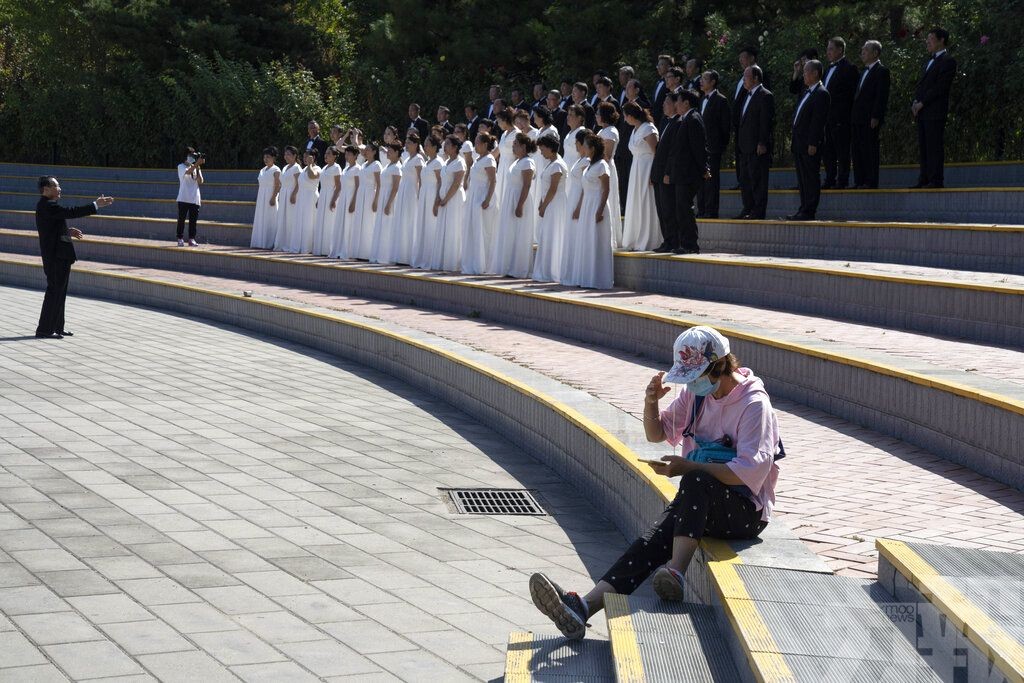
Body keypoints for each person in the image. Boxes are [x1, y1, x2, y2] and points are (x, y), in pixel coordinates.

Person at [528, 325, 780, 640]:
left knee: (696, 479)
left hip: (745, 512)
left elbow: (752, 471)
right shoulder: (696, 396)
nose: (690, 384)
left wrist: (688, 466)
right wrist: (651, 402)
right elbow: (657, 434)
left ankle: (676, 571)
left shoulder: (754, 404)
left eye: (696, 376)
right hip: (700, 502)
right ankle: (582, 607)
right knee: (651, 540)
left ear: (719, 367)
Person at [33, 177, 114, 339]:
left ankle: (57, 327)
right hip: (56, 256)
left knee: (60, 292)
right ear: (46, 189)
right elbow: (70, 212)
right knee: (54, 291)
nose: (60, 188)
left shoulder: (47, 206)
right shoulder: (47, 205)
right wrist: (95, 205)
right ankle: (44, 329)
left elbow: (51, 228)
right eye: (56, 186)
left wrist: (67, 231)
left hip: (59, 255)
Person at [911, 28, 955, 189]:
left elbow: (940, 87)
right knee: (923, 147)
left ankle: (935, 180)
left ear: (941, 40)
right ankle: (924, 178)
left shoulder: (948, 61)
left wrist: (922, 103)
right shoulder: (928, 61)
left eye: (931, 38)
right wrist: (915, 102)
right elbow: (923, 86)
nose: (927, 41)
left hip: (935, 112)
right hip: (922, 112)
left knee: (934, 146)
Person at [568, 133, 613, 289]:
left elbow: (606, 189)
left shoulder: (602, 165)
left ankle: (598, 279)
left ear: (593, 148)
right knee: (587, 241)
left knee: (597, 241)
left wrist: (600, 210)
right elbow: (584, 189)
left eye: (586, 146)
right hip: (587, 205)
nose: (584, 149)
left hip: (596, 205)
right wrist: (580, 208)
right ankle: (587, 277)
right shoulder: (589, 165)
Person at [667, 90, 708, 254]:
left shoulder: (693, 119)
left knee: (685, 208)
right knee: (681, 208)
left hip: (688, 174)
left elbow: (699, 147)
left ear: (686, 103)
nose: (676, 105)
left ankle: (690, 244)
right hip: (681, 173)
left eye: (678, 101)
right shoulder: (685, 119)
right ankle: (686, 243)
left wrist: (704, 168)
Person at [489, 133, 536, 278]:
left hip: (519, 199)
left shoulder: (527, 162)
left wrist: (520, 205)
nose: (513, 147)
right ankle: (509, 265)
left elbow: (526, 185)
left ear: (523, 146)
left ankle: (518, 268)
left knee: (519, 232)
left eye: (515, 144)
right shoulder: (517, 161)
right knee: (510, 231)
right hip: (510, 198)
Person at [788, 61, 830, 221]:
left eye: (806, 72)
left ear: (815, 73)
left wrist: (813, 142)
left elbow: (818, 121)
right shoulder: (807, 92)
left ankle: (809, 209)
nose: (803, 75)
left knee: (811, 177)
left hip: (809, 144)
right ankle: (803, 207)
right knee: (802, 178)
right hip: (799, 143)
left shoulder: (821, 93)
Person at [735, 66, 774, 220]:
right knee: (745, 180)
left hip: (757, 146)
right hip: (745, 146)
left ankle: (758, 211)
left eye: (746, 76)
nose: (744, 79)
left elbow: (765, 122)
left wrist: (762, 142)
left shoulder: (765, 95)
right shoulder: (746, 94)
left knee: (758, 180)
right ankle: (748, 208)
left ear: (756, 78)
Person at [851, 40, 891, 189]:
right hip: (857, 118)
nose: (863, 53)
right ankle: (859, 180)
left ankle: (870, 180)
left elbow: (881, 96)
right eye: (862, 50)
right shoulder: (863, 72)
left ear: (875, 53)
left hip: (870, 118)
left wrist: (876, 116)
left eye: (866, 50)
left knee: (869, 149)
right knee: (857, 149)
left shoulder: (881, 71)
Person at [621, 102, 660, 251]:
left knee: (646, 201)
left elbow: (656, 152)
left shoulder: (648, 128)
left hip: (647, 168)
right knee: (636, 201)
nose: (625, 119)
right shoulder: (635, 130)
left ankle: (648, 240)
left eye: (625, 116)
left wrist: (654, 172)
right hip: (636, 169)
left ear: (631, 116)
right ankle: (636, 238)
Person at [820, 38, 857, 189]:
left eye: (831, 49)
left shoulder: (849, 68)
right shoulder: (828, 69)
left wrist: (841, 114)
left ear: (840, 50)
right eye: (828, 49)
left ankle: (842, 181)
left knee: (842, 150)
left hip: (840, 117)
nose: (828, 52)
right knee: (828, 150)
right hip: (826, 117)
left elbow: (850, 95)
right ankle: (829, 179)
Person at [531, 135, 568, 282]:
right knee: (546, 235)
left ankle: (553, 271)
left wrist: (544, 206)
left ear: (550, 148)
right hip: (548, 203)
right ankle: (545, 270)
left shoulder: (558, 165)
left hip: (555, 204)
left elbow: (553, 189)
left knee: (554, 235)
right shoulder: (550, 163)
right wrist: (541, 203)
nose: (541, 152)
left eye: (542, 148)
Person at [461, 133, 498, 275]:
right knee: (473, 230)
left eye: (477, 143)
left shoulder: (489, 160)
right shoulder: (478, 159)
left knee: (483, 232)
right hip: (473, 197)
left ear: (484, 144)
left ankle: (483, 264)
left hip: (482, 198)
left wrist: (487, 200)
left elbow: (493, 181)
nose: (475, 146)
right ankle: (473, 262)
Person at [558, 129, 592, 285]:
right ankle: (572, 272)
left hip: (580, 198)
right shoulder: (580, 160)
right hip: (572, 197)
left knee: (578, 234)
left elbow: (586, 186)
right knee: (571, 234)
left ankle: (580, 273)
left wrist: (579, 206)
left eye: (578, 143)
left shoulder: (587, 162)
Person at [697, 71, 730, 219]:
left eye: (704, 79)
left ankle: (711, 211)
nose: (701, 81)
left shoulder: (721, 100)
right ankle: (702, 209)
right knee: (700, 180)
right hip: (700, 147)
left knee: (712, 180)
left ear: (713, 82)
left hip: (714, 147)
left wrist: (720, 146)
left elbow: (725, 126)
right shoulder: (701, 99)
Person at [431, 135, 467, 271]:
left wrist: (445, 199)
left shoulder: (460, 162)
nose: (444, 147)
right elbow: (441, 182)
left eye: (447, 144)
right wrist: (437, 200)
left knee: (453, 228)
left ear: (455, 147)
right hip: (444, 200)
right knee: (444, 229)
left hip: (454, 199)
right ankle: (443, 261)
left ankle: (453, 263)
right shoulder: (446, 163)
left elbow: (456, 183)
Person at [388, 133, 424, 265]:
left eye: (409, 143)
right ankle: (401, 255)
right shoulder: (408, 159)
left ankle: (409, 255)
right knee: (402, 221)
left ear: (415, 144)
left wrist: (420, 195)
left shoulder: (418, 159)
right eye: (406, 143)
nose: (407, 145)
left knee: (410, 221)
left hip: (412, 192)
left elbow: (421, 179)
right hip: (404, 191)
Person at [651, 94, 680, 253]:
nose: (663, 105)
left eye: (667, 103)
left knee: (669, 209)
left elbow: (673, 152)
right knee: (661, 209)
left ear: (676, 104)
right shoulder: (665, 122)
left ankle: (673, 240)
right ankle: (666, 240)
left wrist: (668, 172)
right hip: (658, 173)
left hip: (667, 175)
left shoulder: (678, 122)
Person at [412, 135, 445, 268]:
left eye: (427, 145)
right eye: (424, 144)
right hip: (424, 195)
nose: (424, 147)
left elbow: (440, 181)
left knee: (432, 225)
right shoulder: (426, 162)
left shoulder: (438, 162)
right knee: (424, 225)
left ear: (435, 147)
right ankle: (423, 258)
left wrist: (437, 199)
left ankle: (432, 258)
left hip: (432, 195)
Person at [370, 143, 403, 264]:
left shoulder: (397, 167)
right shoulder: (388, 165)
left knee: (388, 226)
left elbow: (395, 187)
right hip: (384, 197)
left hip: (391, 199)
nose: (387, 152)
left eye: (390, 151)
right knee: (382, 225)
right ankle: (379, 254)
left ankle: (387, 256)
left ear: (396, 153)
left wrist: (388, 203)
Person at [596, 102, 622, 249]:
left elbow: (608, 154)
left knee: (608, 201)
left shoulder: (611, 131)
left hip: (606, 169)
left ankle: (609, 239)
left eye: (598, 114)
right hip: (598, 169)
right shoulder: (601, 132)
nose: (596, 117)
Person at [349, 141, 382, 259]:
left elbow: (379, 184)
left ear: (374, 152)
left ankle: (368, 252)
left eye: (368, 149)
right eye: (365, 149)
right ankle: (359, 252)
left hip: (370, 194)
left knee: (369, 222)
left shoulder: (377, 165)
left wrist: (376, 200)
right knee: (360, 222)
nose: (365, 151)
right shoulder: (363, 165)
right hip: (361, 194)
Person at [329, 145, 362, 258]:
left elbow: (358, 186)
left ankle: (347, 251)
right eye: (346, 154)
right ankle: (339, 249)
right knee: (341, 223)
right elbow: (340, 186)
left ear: (356, 155)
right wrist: (335, 199)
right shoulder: (346, 168)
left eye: (349, 154)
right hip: (343, 198)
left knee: (349, 223)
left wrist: (353, 202)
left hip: (351, 197)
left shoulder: (357, 169)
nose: (347, 156)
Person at [312, 146, 342, 255]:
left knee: (330, 221)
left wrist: (334, 200)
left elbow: (338, 186)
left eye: (329, 153)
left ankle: (328, 248)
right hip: (323, 195)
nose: (326, 155)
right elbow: (322, 186)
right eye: (326, 153)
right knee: (322, 221)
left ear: (334, 156)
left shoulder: (336, 167)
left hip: (331, 195)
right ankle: (321, 248)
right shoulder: (324, 168)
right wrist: (319, 199)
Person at [250, 147, 281, 249]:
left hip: (270, 197)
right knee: (261, 218)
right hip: (261, 197)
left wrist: (273, 197)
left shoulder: (276, 169)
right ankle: (260, 242)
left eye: (268, 157)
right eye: (264, 157)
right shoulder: (262, 170)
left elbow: (278, 185)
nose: (266, 159)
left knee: (270, 219)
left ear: (273, 158)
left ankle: (269, 243)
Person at [290, 148, 320, 253]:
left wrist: (310, 165)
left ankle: (308, 247)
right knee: (301, 221)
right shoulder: (303, 170)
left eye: (307, 156)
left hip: (311, 197)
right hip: (302, 197)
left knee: (309, 221)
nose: (304, 158)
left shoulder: (317, 168)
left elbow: (312, 176)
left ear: (313, 157)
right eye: (304, 156)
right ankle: (299, 245)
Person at [274, 147, 301, 252]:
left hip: (292, 194)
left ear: (294, 156)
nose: (286, 157)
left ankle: (291, 243)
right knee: (283, 218)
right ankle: (282, 242)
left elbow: (299, 183)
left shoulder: (297, 168)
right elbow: (282, 182)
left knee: (291, 219)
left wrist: (294, 194)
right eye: (285, 154)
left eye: (289, 154)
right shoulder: (285, 167)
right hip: (284, 194)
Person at [176, 148, 204, 247]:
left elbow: (200, 181)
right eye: (191, 155)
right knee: (181, 219)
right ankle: (180, 238)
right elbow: (187, 173)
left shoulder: (195, 167)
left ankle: (192, 239)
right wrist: (196, 164)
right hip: (183, 197)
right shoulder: (181, 166)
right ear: (186, 156)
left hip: (194, 198)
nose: (193, 158)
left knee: (193, 221)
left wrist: (198, 168)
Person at [494, 111, 517, 202]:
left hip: (511, 167)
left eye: (499, 121)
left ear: (505, 120)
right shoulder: (504, 134)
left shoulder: (517, 134)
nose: (498, 124)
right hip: (501, 168)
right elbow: (497, 151)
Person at [652, 55, 675, 128]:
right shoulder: (658, 82)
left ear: (669, 67)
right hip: (655, 120)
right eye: (658, 65)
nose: (658, 67)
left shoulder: (672, 83)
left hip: (666, 119)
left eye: (661, 64)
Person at [562, 105, 587, 172]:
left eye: (571, 115)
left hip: (576, 171)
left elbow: (585, 155)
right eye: (568, 114)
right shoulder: (569, 133)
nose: (568, 117)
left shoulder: (582, 133)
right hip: (566, 170)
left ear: (579, 118)